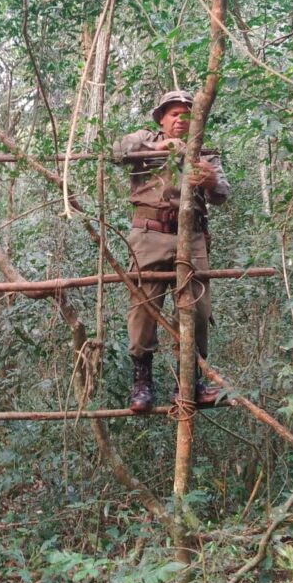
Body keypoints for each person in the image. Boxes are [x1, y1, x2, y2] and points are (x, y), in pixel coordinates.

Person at [112, 90, 230, 414]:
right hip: (149, 235)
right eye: (174, 113)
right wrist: (157, 148)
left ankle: (191, 382)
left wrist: (208, 180)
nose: (181, 119)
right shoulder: (143, 139)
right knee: (142, 311)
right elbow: (115, 152)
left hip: (190, 238)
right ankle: (142, 383)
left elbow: (222, 193)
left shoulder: (204, 151)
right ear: (161, 118)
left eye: (187, 114)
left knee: (198, 312)